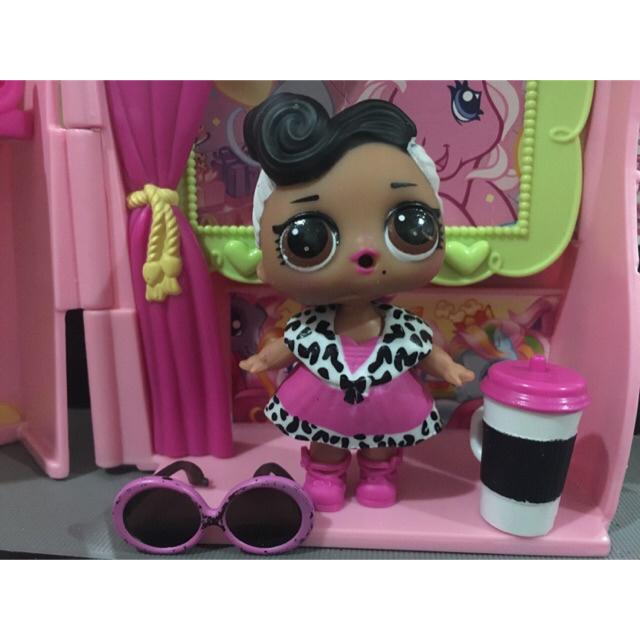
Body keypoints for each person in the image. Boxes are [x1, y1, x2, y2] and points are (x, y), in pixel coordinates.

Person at [240, 93, 474, 512]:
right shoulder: (311, 328)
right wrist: (263, 360)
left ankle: (379, 474)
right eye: (308, 239)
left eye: (409, 224)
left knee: (381, 443)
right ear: (264, 263)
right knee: (325, 440)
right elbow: (288, 346)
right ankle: (324, 474)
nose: (364, 252)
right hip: (323, 400)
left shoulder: (401, 327)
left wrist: (448, 367)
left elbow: (424, 351)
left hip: (389, 403)